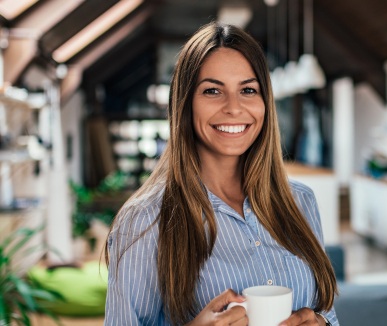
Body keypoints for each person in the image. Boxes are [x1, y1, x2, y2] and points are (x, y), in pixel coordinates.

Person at [104, 21, 338, 326]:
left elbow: (328, 312)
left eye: (248, 90)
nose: (234, 107)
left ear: (265, 102)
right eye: (212, 91)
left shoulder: (301, 202)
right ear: (185, 104)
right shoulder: (144, 220)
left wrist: (320, 322)